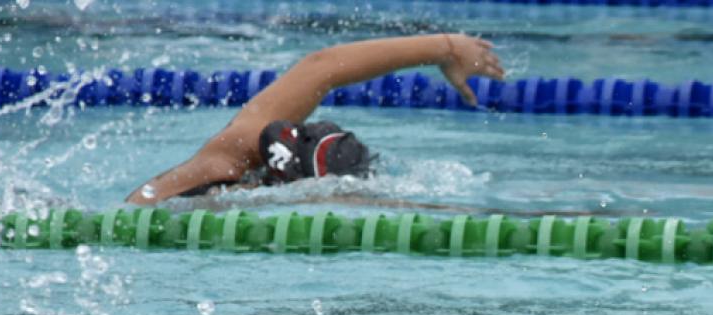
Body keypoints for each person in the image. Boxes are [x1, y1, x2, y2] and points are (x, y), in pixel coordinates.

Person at [125, 34, 504, 204]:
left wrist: (446, 47)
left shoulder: (229, 160)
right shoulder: (232, 162)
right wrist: (446, 48)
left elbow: (320, 68)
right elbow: (320, 69)